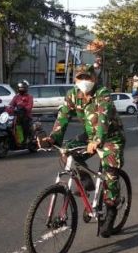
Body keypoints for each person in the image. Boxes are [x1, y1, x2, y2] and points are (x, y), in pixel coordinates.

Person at [42, 65, 126, 238]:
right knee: (66, 152)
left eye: (87, 78)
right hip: (90, 136)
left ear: (94, 79)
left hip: (111, 137)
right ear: (75, 80)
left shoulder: (102, 94)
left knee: (110, 175)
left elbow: (103, 118)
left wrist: (98, 140)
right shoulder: (73, 95)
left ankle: (111, 211)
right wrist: (52, 139)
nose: (84, 82)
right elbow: (63, 117)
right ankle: (86, 180)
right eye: (80, 78)